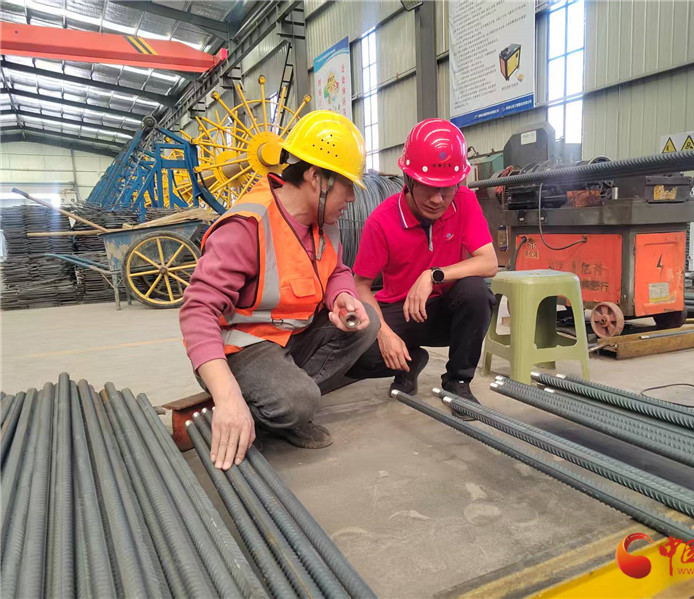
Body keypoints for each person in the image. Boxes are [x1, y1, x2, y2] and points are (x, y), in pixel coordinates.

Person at [180, 110, 379, 470]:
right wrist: (226, 396)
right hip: (243, 347)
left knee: (368, 323)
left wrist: (342, 296)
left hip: (291, 335)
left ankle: (281, 398)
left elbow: (337, 270)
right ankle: (267, 403)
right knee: (297, 401)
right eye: (347, 185)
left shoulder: (324, 222)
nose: (352, 196)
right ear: (316, 178)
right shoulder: (247, 226)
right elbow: (197, 312)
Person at [347, 119, 498, 419]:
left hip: (445, 312)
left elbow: (489, 262)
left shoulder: (465, 201)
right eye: (429, 188)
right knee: (354, 350)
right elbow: (360, 283)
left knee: (477, 291)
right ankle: (410, 360)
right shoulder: (382, 221)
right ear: (409, 180)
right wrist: (384, 334)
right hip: (401, 313)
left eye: (447, 189)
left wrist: (433, 275)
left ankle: (457, 382)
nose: (437, 200)